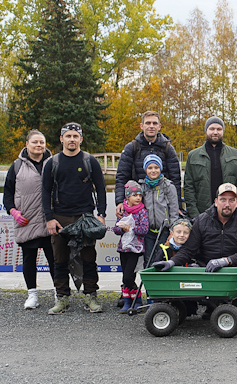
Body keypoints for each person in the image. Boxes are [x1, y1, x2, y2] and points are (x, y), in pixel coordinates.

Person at [153, 183, 237, 306]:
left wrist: (226, 260)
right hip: (207, 266)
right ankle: (210, 305)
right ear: (216, 201)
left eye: (231, 200)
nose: (227, 204)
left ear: (236, 203)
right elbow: (189, 250)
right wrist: (172, 262)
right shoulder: (201, 220)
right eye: (223, 200)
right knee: (191, 270)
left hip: (234, 265)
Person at [41, 122, 107, 315]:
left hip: (85, 217)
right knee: (59, 260)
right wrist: (49, 218)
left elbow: (101, 188)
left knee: (88, 258)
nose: (72, 139)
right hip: (60, 217)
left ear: (81, 139)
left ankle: (90, 296)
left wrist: (101, 215)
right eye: (68, 136)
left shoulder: (89, 161)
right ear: (61, 139)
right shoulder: (52, 163)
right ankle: (62, 298)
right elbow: (45, 192)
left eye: (75, 136)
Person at [3, 130, 55, 309]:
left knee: (55, 259)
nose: (39, 145)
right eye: (35, 142)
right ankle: (32, 295)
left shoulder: (54, 163)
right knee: (29, 259)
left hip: (50, 221)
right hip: (27, 221)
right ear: (27, 144)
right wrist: (13, 211)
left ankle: (59, 293)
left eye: (42, 142)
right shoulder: (16, 166)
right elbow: (7, 194)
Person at [114, 111, 182, 218]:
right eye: (148, 123)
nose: (151, 126)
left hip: (162, 203)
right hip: (137, 202)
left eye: (154, 123)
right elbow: (122, 176)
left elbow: (175, 179)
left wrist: (178, 206)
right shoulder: (131, 148)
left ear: (159, 126)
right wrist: (119, 201)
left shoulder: (167, 148)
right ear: (142, 126)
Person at [184, 116, 237, 218]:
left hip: (228, 211)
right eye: (212, 129)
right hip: (203, 211)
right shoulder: (193, 156)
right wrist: (194, 214)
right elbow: (189, 187)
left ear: (223, 131)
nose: (215, 132)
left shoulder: (235, 154)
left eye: (219, 129)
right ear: (206, 130)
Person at [111, 181, 149, 313]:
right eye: (135, 195)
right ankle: (128, 302)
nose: (138, 197)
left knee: (129, 276)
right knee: (125, 277)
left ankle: (137, 300)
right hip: (123, 248)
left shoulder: (142, 212)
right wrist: (122, 229)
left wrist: (131, 228)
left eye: (140, 195)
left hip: (136, 249)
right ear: (128, 197)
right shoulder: (124, 211)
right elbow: (116, 229)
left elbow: (144, 230)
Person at [141, 154, 180, 267]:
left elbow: (173, 209)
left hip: (164, 230)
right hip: (148, 230)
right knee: (148, 258)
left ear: (160, 169)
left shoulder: (168, 186)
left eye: (156, 167)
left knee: (162, 256)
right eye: (150, 168)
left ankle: (162, 282)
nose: (153, 170)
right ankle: (149, 283)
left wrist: (173, 229)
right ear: (145, 169)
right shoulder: (142, 187)